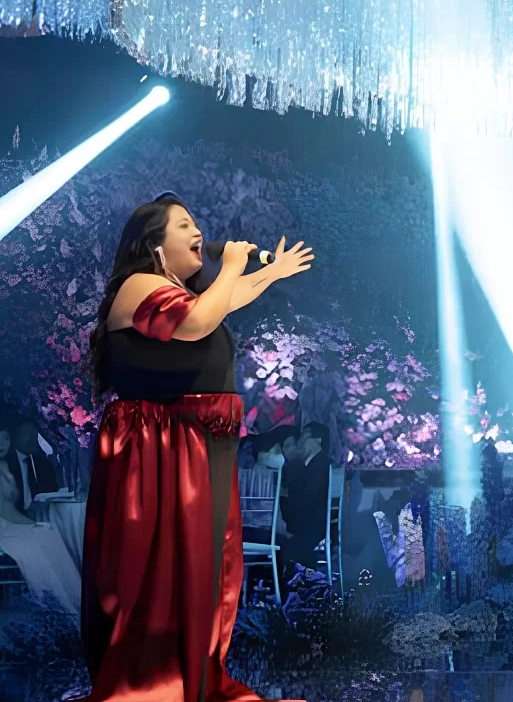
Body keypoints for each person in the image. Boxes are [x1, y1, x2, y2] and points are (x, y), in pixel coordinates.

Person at [83, 192, 313, 702]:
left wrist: (268, 275)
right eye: (183, 224)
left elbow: (219, 302)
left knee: (201, 572)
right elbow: (197, 322)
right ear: (154, 244)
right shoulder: (140, 284)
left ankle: (189, 674)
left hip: (189, 444)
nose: (196, 231)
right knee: (162, 571)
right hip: (157, 449)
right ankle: (153, 682)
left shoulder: (173, 290)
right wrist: (230, 263)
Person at [0, 424, 81, 618]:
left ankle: (70, 604)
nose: (1, 444)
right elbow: (6, 512)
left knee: (50, 537)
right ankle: (56, 604)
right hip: (5, 525)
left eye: (5, 439)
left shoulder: (6, 467)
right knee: (40, 541)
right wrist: (30, 526)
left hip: (10, 520)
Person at [281, 422, 332, 569]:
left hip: (309, 526)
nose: (299, 440)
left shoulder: (320, 464)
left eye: (304, 435)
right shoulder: (313, 465)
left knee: (282, 541)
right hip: (309, 524)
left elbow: (307, 500)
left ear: (318, 440)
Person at [2, 409, 61, 512]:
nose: (32, 439)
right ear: (16, 436)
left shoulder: (42, 462)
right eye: (28, 434)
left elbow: (51, 490)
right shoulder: (5, 462)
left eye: (35, 434)